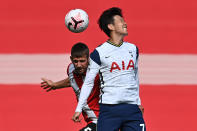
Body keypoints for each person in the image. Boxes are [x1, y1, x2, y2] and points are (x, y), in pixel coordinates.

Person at [72, 7, 146, 131]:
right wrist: (78, 109)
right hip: (109, 110)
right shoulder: (99, 53)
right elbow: (88, 82)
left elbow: (134, 76)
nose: (125, 23)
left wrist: (138, 101)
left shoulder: (133, 49)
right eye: (121, 21)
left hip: (132, 110)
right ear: (110, 26)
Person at [41, 43, 100, 131]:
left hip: (102, 120)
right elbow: (73, 81)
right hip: (90, 121)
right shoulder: (71, 69)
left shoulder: (98, 71)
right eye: (76, 61)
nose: (79, 65)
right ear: (71, 59)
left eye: (82, 61)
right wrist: (55, 85)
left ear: (88, 59)